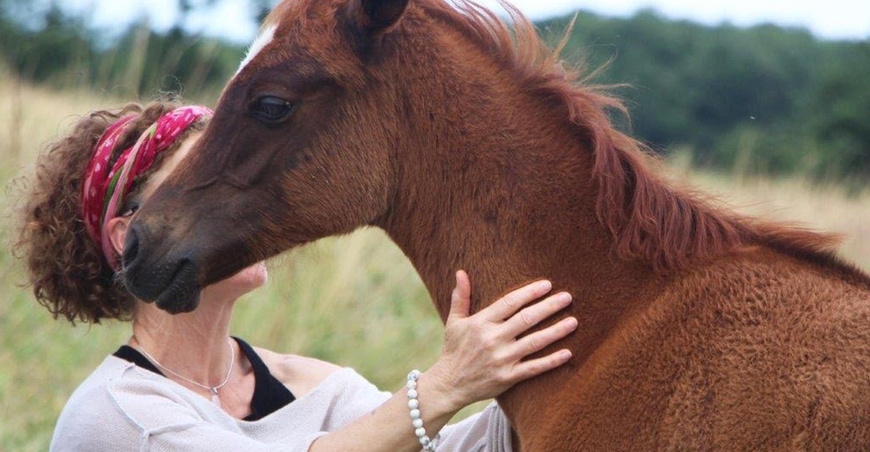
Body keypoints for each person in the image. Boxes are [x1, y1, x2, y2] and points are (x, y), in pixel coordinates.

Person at [15, 101, 579, 451]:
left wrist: (523, 371)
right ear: (129, 235)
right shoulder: (116, 418)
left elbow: (442, 449)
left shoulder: (308, 386)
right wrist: (447, 385)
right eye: (196, 178)